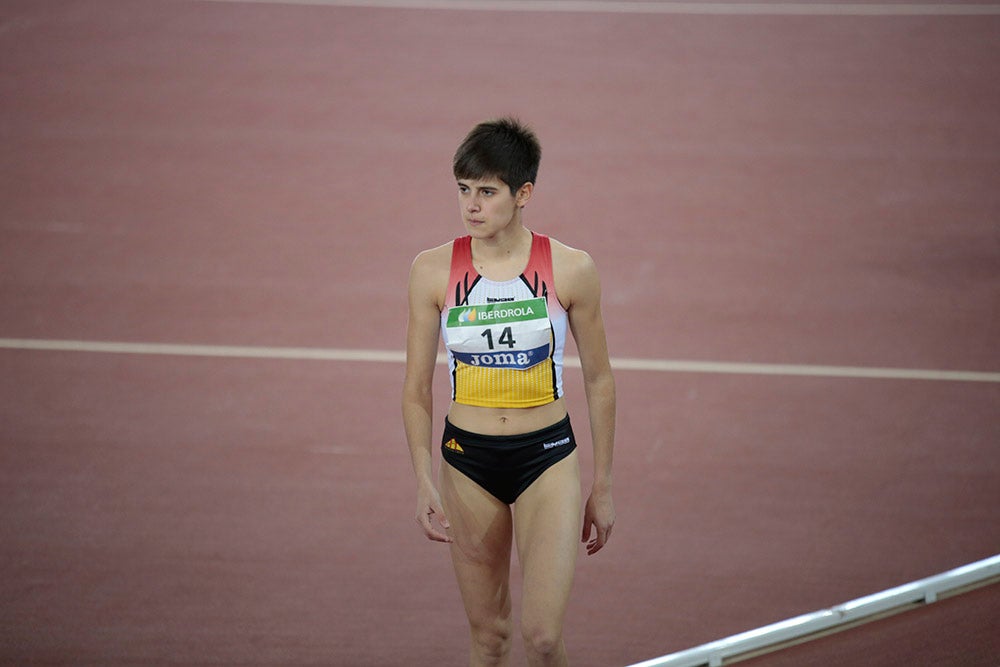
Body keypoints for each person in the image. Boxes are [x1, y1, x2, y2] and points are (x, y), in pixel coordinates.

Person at [402, 117, 616, 667]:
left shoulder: (570, 269)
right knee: (490, 639)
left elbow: (599, 378)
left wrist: (603, 483)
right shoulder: (431, 271)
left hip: (546, 456)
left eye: (487, 192)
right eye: (463, 190)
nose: (471, 206)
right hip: (467, 461)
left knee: (542, 638)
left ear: (523, 194)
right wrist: (423, 477)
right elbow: (416, 389)